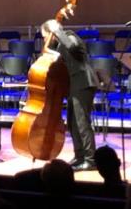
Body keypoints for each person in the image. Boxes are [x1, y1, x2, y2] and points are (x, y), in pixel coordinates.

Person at [41, 18, 98, 171]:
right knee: (73, 123)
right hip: (74, 85)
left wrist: (57, 30)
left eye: (45, 36)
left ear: (52, 32)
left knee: (82, 123)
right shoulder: (60, 45)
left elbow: (72, 47)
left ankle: (90, 159)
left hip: (83, 83)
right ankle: (79, 156)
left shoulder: (70, 36)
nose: (45, 40)